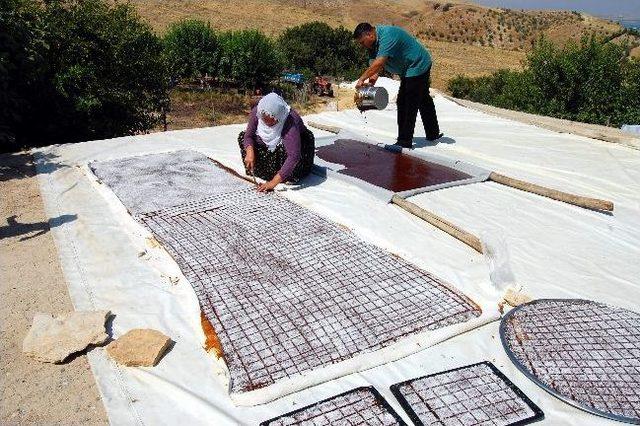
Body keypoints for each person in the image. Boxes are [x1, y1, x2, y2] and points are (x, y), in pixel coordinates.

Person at [353, 23, 443, 148]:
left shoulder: (388, 35)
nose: (362, 46)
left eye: (362, 42)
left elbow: (379, 63)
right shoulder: (372, 44)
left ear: (369, 34)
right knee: (422, 97)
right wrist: (370, 83)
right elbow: (374, 67)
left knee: (406, 102)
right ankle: (433, 133)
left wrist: (362, 79)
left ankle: (404, 141)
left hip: (417, 64)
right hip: (406, 68)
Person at [239, 93, 315, 192]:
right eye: (265, 121)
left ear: (279, 117)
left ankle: (281, 175)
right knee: (242, 137)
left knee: (287, 159)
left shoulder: (290, 120)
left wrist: (273, 183)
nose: (268, 125)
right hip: (273, 145)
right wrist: (249, 152)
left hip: (299, 146)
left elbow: (294, 156)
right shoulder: (257, 112)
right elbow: (248, 136)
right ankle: (267, 171)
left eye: (271, 122)